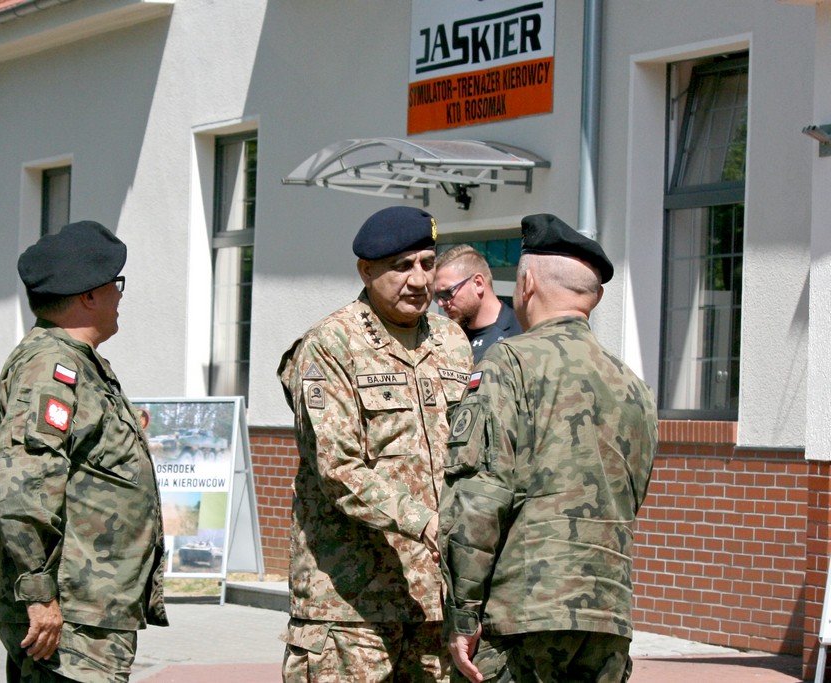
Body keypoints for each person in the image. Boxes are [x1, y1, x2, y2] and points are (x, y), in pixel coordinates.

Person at [439, 214, 658, 683]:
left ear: (527, 283)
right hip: (607, 618)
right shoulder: (634, 387)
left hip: (523, 616)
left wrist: (462, 617)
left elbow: (478, 499)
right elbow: (632, 497)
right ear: (592, 297)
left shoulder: (510, 362)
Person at [278, 205, 474, 682]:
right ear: (367, 271)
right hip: (349, 608)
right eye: (402, 266)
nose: (419, 279)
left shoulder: (452, 342)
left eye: (427, 263)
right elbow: (338, 469)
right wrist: (428, 523)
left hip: (433, 604)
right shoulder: (330, 345)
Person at [0, 220, 168, 682]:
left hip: (92, 610)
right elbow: (23, 486)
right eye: (115, 286)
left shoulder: (77, 363)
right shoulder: (52, 367)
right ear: (89, 295)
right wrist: (40, 595)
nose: (120, 297)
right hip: (70, 616)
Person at [433, 244, 521, 364]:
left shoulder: (522, 331)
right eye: (437, 296)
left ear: (478, 284)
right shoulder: (444, 342)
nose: (441, 302)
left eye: (447, 292)